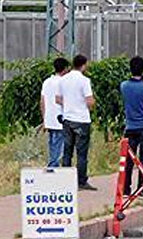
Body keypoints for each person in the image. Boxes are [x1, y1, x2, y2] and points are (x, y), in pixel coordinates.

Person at [57, 54, 97, 191]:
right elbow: (89, 101)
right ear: (84, 65)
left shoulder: (63, 80)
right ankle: (81, 181)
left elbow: (58, 99)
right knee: (81, 153)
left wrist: (69, 104)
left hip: (67, 119)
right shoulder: (84, 80)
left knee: (67, 151)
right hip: (82, 120)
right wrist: (91, 106)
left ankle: (65, 181)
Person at [120, 55, 143, 194]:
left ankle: (125, 188)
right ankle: (142, 188)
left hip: (130, 127)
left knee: (129, 160)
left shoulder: (124, 86)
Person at [40, 58, 69, 167]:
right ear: (65, 69)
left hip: (49, 119)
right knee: (58, 150)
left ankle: (52, 169)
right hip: (60, 120)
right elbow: (63, 100)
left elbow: (42, 101)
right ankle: (52, 171)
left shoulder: (47, 82)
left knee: (52, 146)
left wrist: (44, 119)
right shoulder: (63, 82)